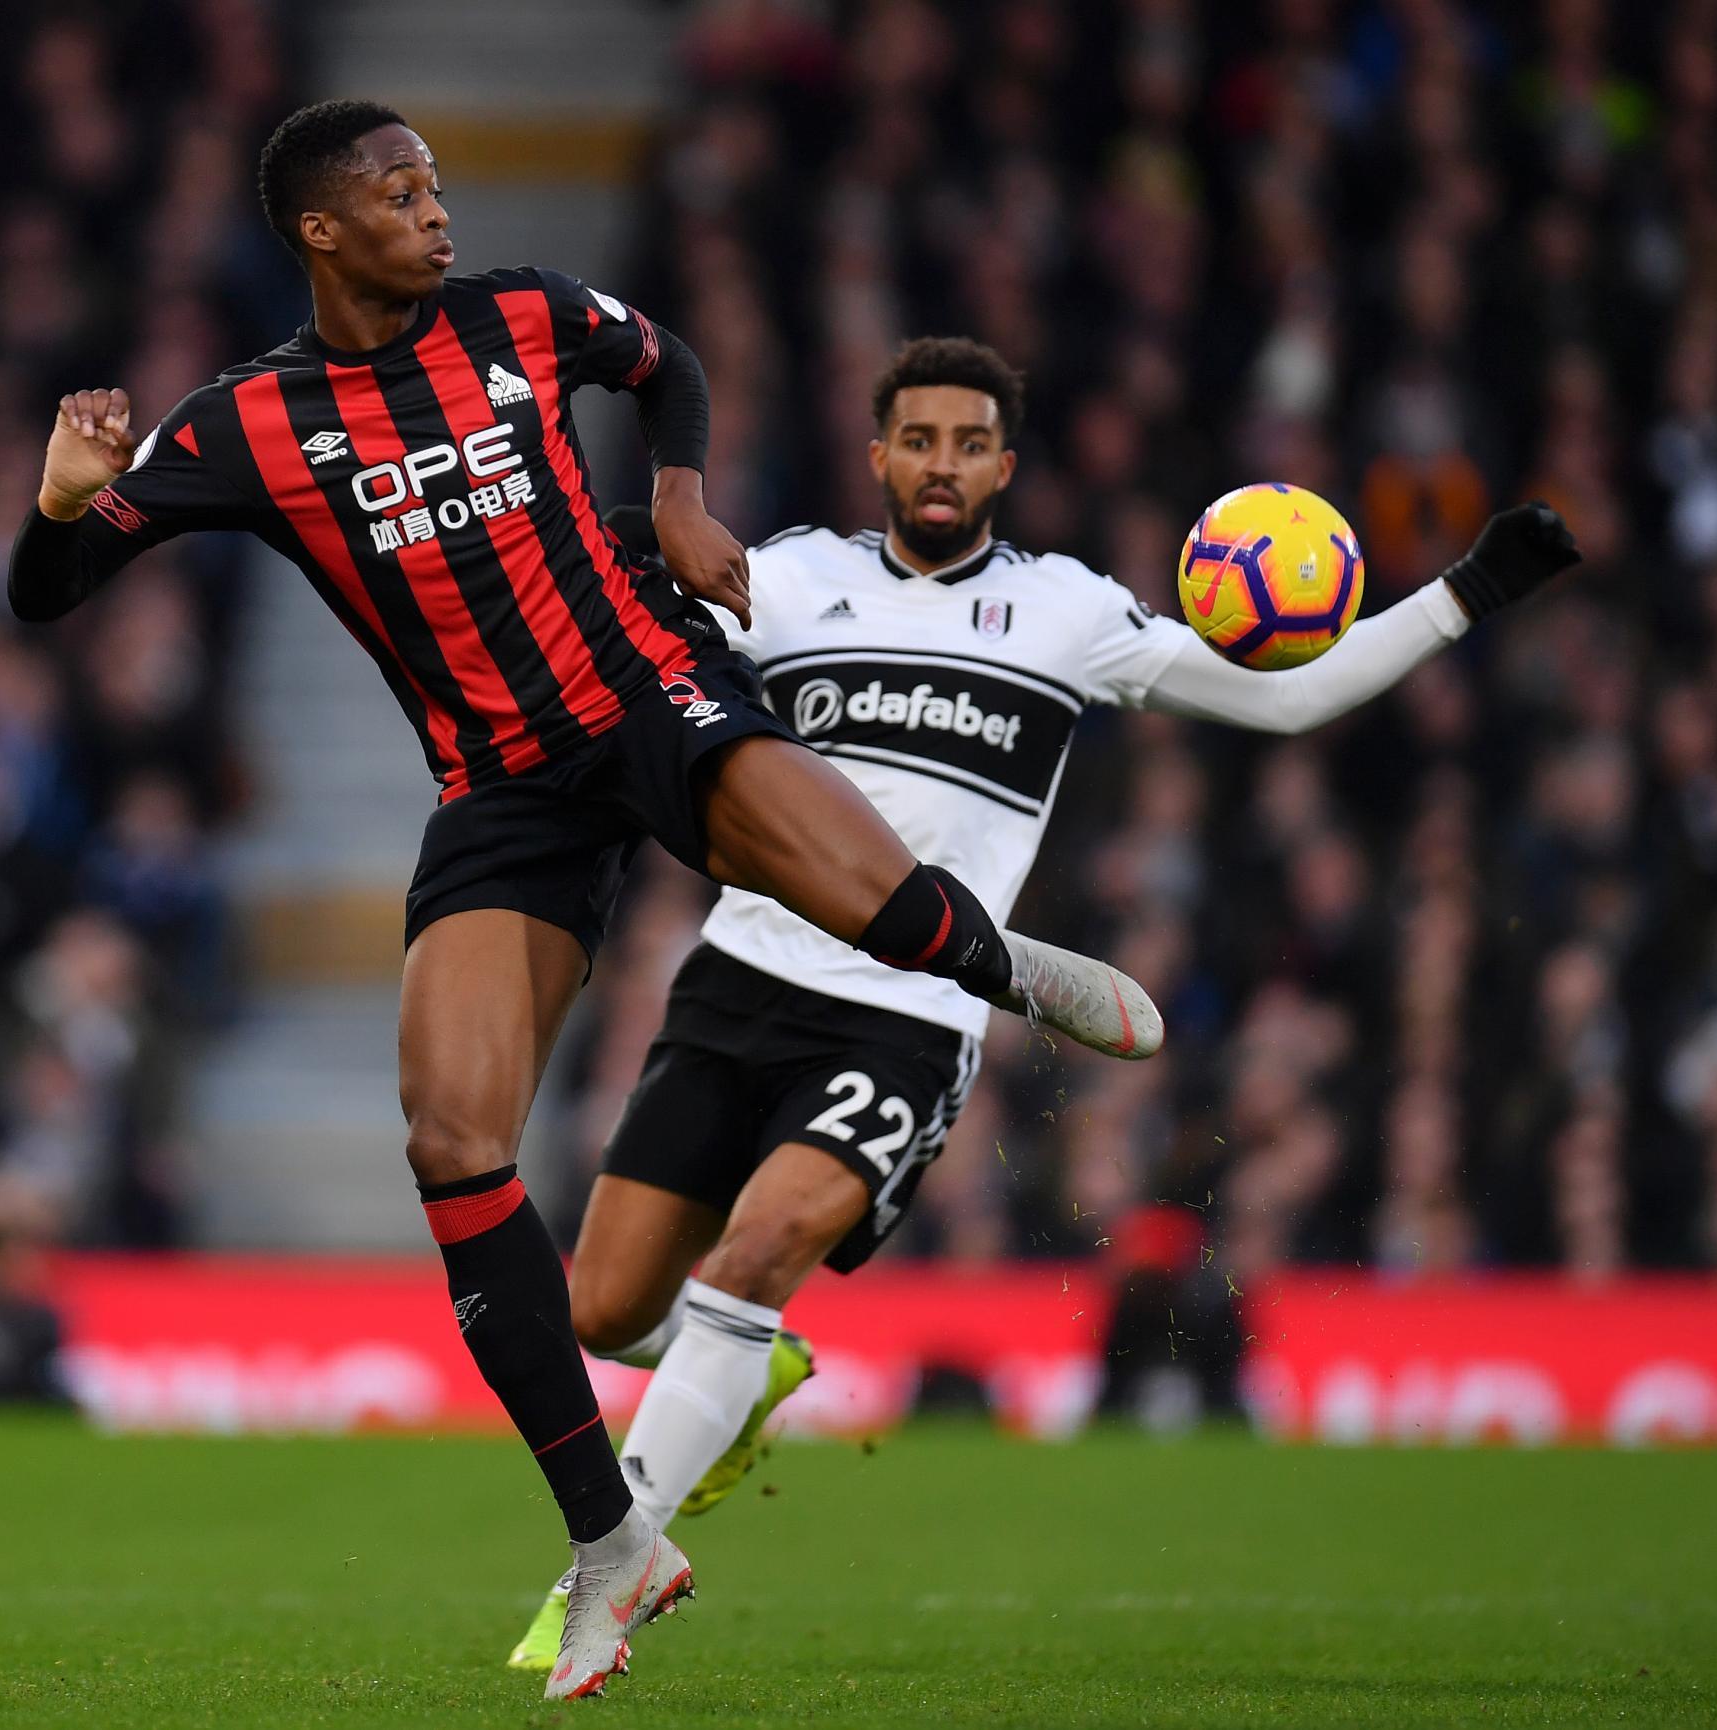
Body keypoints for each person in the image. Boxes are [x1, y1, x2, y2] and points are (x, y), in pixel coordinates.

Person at [6, 103, 1158, 1701]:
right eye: (398, 193)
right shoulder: (244, 426)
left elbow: (661, 356)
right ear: (321, 232)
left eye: (434, 183)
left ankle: (999, 963)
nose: (434, 209)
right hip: (500, 790)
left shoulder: (520, 314)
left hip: (643, 692)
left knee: (872, 908)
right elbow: (46, 595)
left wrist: (677, 492)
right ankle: (610, 1534)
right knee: (449, 1144)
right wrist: (64, 500)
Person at [505, 336, 1581, 1669]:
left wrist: (1467, 591)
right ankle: (740, 1373)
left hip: (907, 1012)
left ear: (1003, 465)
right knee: (606, 1307)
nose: (940, 464)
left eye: (968, 443)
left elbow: (1289, 693)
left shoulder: (1067, 613)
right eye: (918, 439)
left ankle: (610, 1567)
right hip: (736, 979)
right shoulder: (784, 582)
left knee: (757, 1251)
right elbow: (624, 642)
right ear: (877, 454)